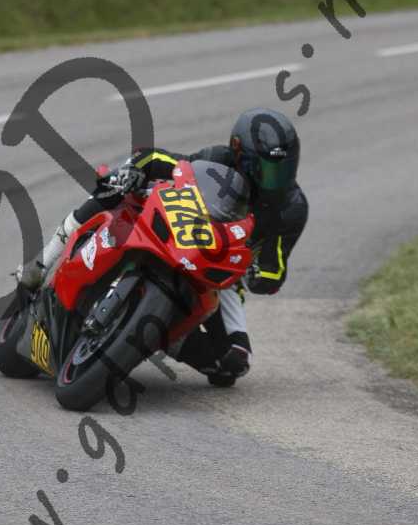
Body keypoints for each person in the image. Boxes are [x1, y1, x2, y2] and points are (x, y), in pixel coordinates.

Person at [17, 108, 309, 386]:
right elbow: (173, 165)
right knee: (112, 188)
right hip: (184, 235)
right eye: (266, 170)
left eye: (283, 170)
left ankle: (158, 336)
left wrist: (259, 274)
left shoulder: (292, 210)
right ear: (239, 155)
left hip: (225, 274)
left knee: (233, 364)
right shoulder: (219, 159)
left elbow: (276, 268)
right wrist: (136, 168)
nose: (274, 181)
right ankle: (43, 261)